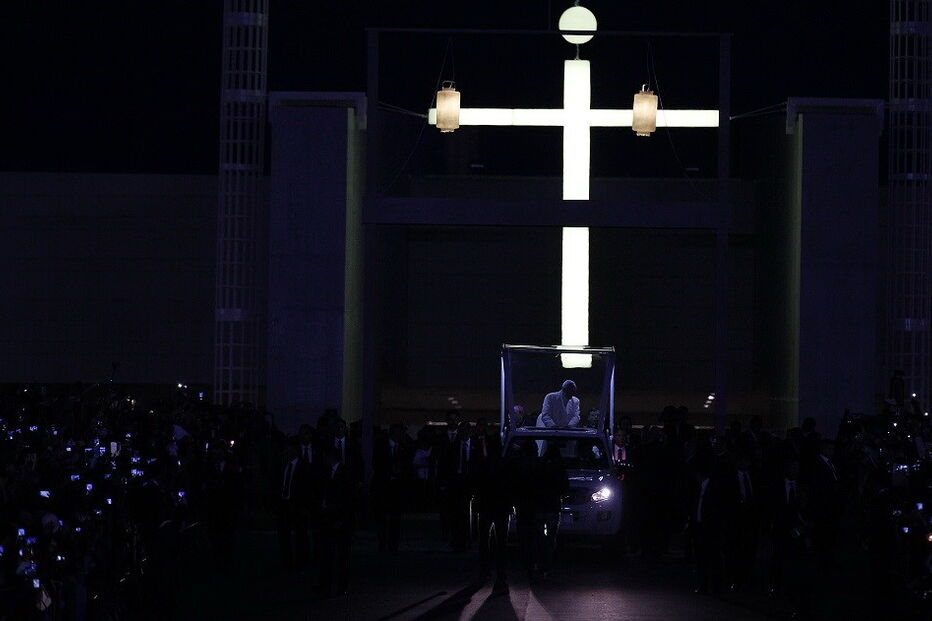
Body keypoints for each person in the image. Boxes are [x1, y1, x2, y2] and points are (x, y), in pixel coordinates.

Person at [314, 445, 356, 598]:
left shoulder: (345, 474)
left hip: (340, 520)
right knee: (327, 554)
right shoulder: (328, 472)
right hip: (328, 518)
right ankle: (327, 585)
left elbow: (349, 499)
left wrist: (342, 519)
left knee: (341, 555)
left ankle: (340, 586)